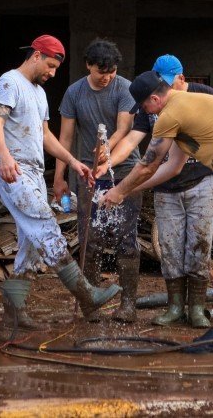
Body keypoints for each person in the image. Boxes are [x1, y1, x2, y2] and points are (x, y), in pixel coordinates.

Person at [99, 70, 213, 352]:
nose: (146, 113)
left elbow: (148, 164)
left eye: (145, 107)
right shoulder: (186, 106)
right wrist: (129, 190)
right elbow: (173, 167)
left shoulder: (171, 113)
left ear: (155, 99)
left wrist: (118, 190)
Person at [0, 34, 121, 330]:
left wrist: (73, 162)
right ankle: (87, 295)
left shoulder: (38, 93)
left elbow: (45, 135)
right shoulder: (9, 82)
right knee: (46, 227)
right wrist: (5, 157)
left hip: (32, 171)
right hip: (12, 170)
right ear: (35, 56)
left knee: (31, 244)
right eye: (49, 65)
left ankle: (12, 310)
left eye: (56, 69)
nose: (52, 73)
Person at [96, 55, 213, 329]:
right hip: (165, 186)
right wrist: (109, 162)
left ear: (179, 79)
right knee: (171, 247)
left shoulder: (205, 96)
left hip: (201, 180)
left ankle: (197, 309)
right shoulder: (151, 107)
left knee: (200, 245)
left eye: (166, 85)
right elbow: (132, 138)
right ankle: (175, 307)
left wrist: (123, 189)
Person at [52, 38, 142, 322]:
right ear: (88, 65)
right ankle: (91, 300)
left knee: (126, 238)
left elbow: (124, 128)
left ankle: (128, 304)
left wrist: (106, 150)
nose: (107, 77)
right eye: (101, 71)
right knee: (89, 238)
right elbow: (64, 139)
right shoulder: (74, 93)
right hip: (87, 173)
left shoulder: (124, 88)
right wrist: (59, 177)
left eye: (111, 72)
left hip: (125, 171)